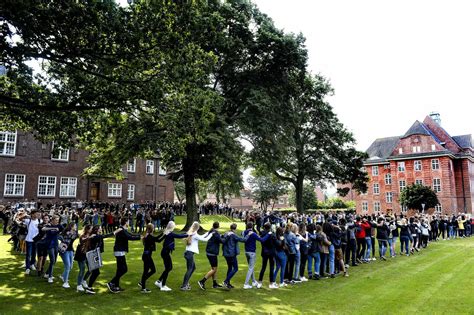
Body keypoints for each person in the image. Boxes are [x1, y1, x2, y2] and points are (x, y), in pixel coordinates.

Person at [107, 218, 141, 293]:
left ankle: (116, 286)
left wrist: (139, 236)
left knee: (119, 269)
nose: (129, 222)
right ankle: (111, 282)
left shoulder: (123, 229)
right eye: (128, 221)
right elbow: (130, 237)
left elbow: (130, 234)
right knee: (124, 269)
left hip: (120, 251)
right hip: (119, 251)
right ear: (125, 222)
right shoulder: (121, 230)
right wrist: (139, 237)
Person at [154, 221, 187, 291]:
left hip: (164, 252)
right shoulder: (170, 234)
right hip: (165, 253)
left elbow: (160, 240)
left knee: (169, 268)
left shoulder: (167, 232)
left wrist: (187, 233)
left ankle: (159, 281)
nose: (174, 227)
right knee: (168, 268)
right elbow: (179, 236)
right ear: (172, 226)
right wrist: (188, 234)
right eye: (174, 226)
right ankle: (163, 286)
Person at [181, 222, 212, 291]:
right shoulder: (194, 234)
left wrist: (208, 232)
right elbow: (205, 239)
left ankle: (186, 283)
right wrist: (211, 234)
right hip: (189, 254)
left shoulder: (192, 233)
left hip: (188, 253)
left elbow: (201, 237)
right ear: (198, 227)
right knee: (189, 269)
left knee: (193, 268)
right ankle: (184, 286)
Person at [85, 225, 115, 294]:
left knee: (95, 272)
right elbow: (104, 236)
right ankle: (89, 287)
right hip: (91, 255)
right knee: (96, 272)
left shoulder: (97, 236)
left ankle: (89, 287)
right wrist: (114, 232)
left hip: (94, 255)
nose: (102, 229)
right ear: (97, 230)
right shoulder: (95, 236)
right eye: (100, 228)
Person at [242, 222, 271, 289]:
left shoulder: (244, 232)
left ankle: (254, 281)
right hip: (252, 252)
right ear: (252, 227)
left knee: (250, 267)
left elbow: (242, 234)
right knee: (250, 268)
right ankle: (246, 284)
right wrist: (268, 234)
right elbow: (262, 240)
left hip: (246, 252)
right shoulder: (253, 234)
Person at [222, 223, 248, 289]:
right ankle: (226, 281)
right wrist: (248, 235)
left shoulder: (226, 233)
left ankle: (228, 283)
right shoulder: (233, 235)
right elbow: (243, 240)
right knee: (235, 268)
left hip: (226, 253)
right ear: (235, 229)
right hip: (231, 254)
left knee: (230, 268)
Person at [198, 222, 223, 290]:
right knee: (214, 269)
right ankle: (202, 281)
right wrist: (227, 237)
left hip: (209, 251)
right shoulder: (216, 233)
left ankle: (215, 284)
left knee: (214, 268)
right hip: (212, 252)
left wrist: (222, 236)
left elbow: (218, 237)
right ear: (218, 226)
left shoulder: (212, 231)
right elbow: (222, 241)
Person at [138, 223, 162, 293]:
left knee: (153, 270)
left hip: (147, 256)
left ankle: (142, 282)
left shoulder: (148, 235)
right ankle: (143, 288)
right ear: (152, 229)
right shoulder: (149, 237)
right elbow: (157, 239)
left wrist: (164, 234)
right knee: (146, 271)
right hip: (146, 256)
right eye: (153, 227)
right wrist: (164, 233)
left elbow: (158, 240)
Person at [43, 215, 63, 283]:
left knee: (54, 261)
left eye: (58, 220)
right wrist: (53, 228)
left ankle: (47, 273)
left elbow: (65, 230)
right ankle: (50, 277)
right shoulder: (48, 225)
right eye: (56, 220)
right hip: (49, 245)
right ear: (53, 220)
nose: (57, 222)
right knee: (52, 260)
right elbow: (43, 229)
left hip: (56, 245)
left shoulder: (59, 225)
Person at [59, 223, 78, 288]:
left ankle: (63, 276)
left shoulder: (74, 232)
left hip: (70, 250)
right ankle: (65, 282)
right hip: (64, 250)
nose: (76, 226)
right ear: (71, 226)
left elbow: (76, 236)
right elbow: (72, 236)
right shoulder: (68, 232)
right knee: (68, 266)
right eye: (75, 226)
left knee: (70, 266)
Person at [74, 224, 92, 292]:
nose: (91, 230)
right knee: (82, 270)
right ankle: (79, 285)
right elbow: (83, 240)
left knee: (91, 268)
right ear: (87, 229)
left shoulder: (90, 235)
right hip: (81, 255)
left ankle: (84, 280)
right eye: (90, 229)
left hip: (87, 254)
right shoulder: (82, 236)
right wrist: (89, 237)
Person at [258, 222, 276, 288]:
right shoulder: (272, 234)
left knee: (263, 267)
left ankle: (260, 282)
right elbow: (275, 242)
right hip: (271, 252)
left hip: (264, 252)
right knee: (271, 268)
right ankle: (271, 283)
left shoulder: (262, 233)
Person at [23, 210, 40, 275]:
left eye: (37, 214)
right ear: (32, 214)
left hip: (36, 240)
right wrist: (24, 215)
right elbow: (19, 219)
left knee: (34, 253)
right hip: (29, 240)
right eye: (36, 214)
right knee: (28, 254)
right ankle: (27, 268)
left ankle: (32, 264)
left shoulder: (39, 221)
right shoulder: (28, 221)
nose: (37, 215)